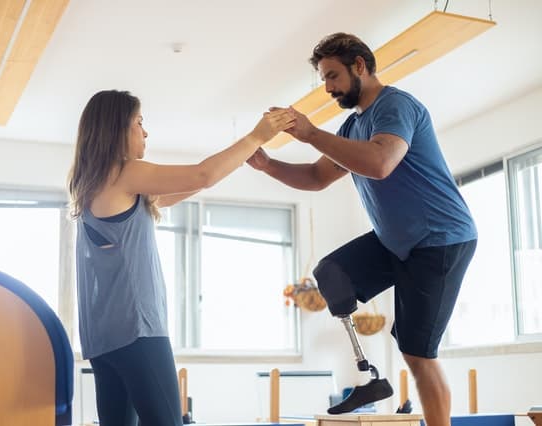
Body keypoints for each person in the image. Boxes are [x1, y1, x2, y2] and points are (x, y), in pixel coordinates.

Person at [247, 33, 477, 425]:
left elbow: (381, 163)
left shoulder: (395, 106)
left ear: (359, 66)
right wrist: (269, 166)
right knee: (331, 272)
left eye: (332, 76)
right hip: (397, 240)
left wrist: (311, 133)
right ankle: (368, 374)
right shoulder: (353, 127)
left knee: (418, 352)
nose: (329, 88)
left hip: (440, 238)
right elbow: (318, 176)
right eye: (323, 79)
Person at [67, 89, 294, 426]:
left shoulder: (92, 183)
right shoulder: (127, 173)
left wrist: (234, 160)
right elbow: (202, 174)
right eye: (139, 123)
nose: (145, 132)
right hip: (138, 331)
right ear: (117, 129)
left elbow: (183, 189)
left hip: (103, 339)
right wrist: (257, 135)